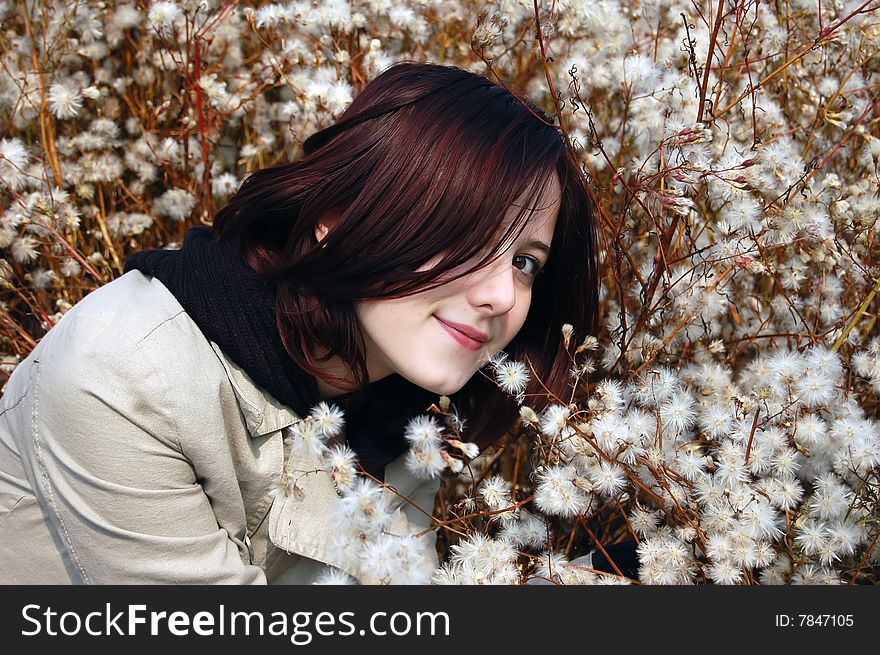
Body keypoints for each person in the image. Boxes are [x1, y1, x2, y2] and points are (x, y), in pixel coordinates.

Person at [0, 62, 599, 584]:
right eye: (470, 237)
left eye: (525, 263)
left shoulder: (400, 408)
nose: (501, 295)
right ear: (337, 217)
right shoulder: (124, 377)